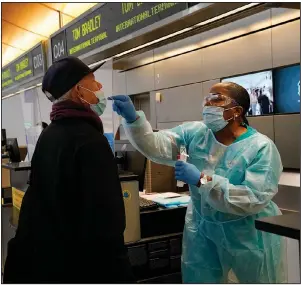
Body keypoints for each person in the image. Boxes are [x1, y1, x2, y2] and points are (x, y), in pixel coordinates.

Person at [109, 82, 287, 283]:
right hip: (203, 231)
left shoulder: (261, 147)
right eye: (208, 98)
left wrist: (202, 180)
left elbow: (253, 198)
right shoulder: (196, 133)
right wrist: (133, 120)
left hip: (247, 237)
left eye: (217, 98)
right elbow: (157, 146)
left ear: (237, 111)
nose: (209, 103)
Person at [4, 57, 134, 284]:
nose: (100, 87)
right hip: (85, 268)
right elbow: (106, 223)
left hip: (52, 264)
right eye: (93, 81)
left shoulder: (49, 135)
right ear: (78, 91)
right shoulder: (90, 141)